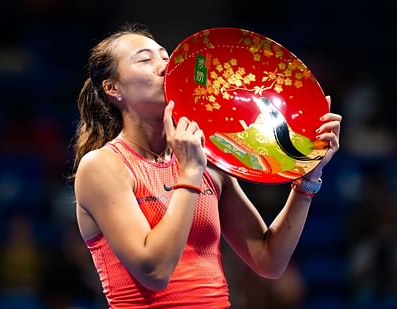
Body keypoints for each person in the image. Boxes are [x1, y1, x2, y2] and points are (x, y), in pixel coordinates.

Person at [71, 23, 341, 308]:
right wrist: (189, 174)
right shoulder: (102, 166)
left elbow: (268, 260)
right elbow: (155, 271)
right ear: (113, 88)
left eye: (165, 56)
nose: (165, 66)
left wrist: (307, 180)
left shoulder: (208, 163)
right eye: (145, 60)